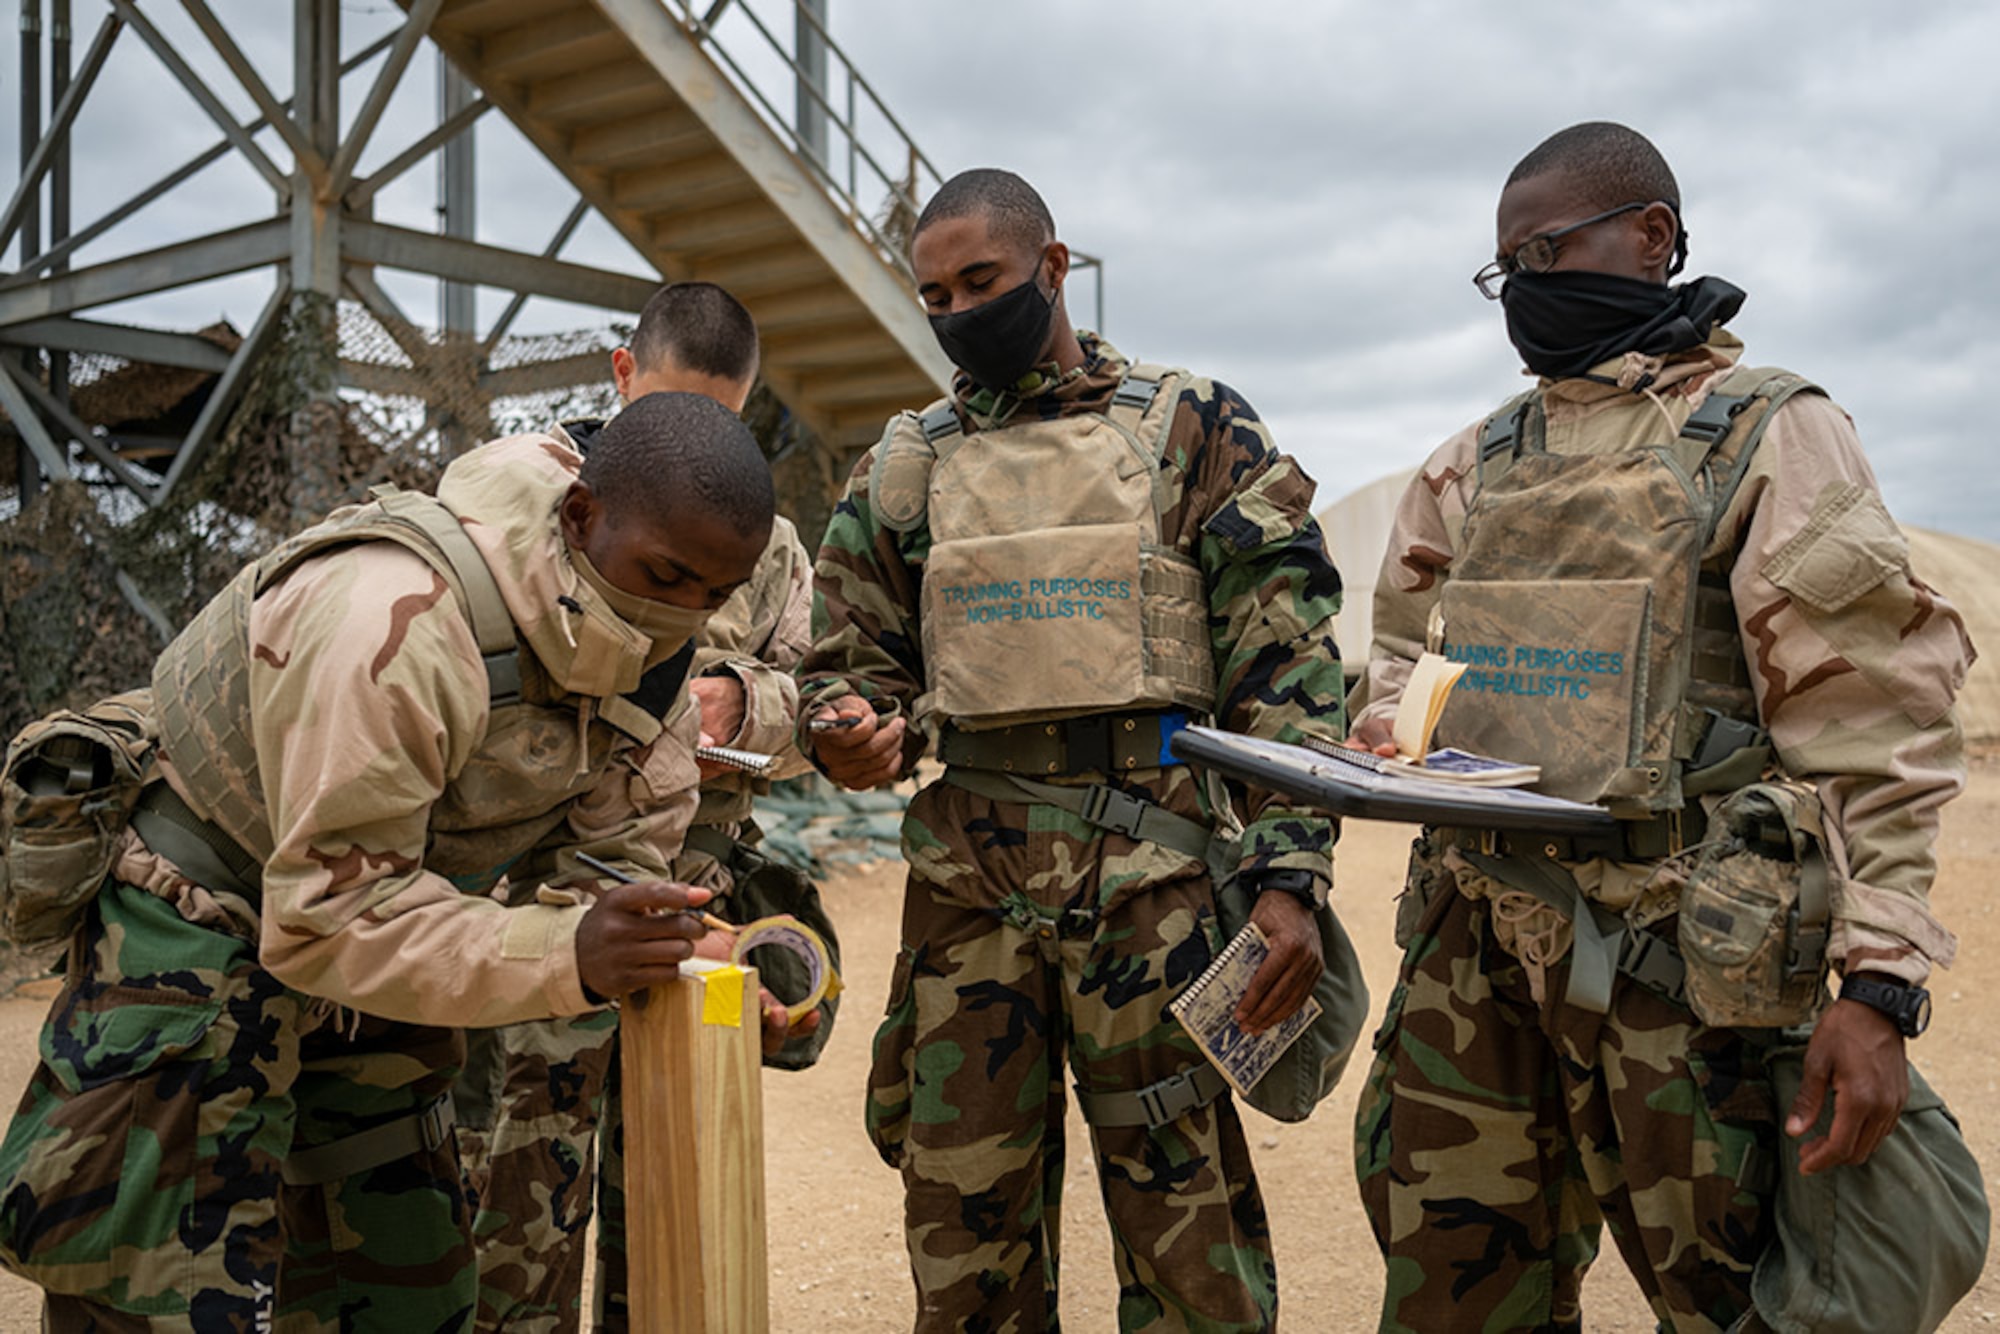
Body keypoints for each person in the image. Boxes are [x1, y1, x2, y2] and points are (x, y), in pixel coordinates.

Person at [1350, 121, 1975, 1333]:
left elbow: (1871, 729)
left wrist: (1881, 983)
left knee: (1727, 1298)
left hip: (1684, 969)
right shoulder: (1472, 458)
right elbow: (1399, 662)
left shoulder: (1765, 433)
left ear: (1651, 239)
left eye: (1544, 250)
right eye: (1504, 270)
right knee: (1451, 1294)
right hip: (1475, 949)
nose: (1523, 288)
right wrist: (1388, 728)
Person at [0, 392, 776, 1331]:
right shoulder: (396, 620)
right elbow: (324, 916)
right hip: (203, 922)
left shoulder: (653, 679)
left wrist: (682, 961)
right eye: (665, 574)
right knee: (160, 1296)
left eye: (714, 597)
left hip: (391, 931)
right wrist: (571, 952)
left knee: (405, 1293)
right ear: (580, 517)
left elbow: (606, 887)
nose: (677, 618)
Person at [797, 167, 1348, 1332]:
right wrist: (847, 730)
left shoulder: (1192, 425)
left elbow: (1284, 663)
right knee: (963, 1231)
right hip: (967, 897)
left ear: (1052, 266)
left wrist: (1291, 874)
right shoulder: (906, 465)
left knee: (1186, 1232)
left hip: (1153, 891)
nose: (956, 310)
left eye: (980, 281)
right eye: (933, 293)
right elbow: (845, 662)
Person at [459, 281, 824, 1332]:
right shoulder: (526, 502)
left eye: (720, 418)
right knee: (515, 1196)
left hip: (688, 906)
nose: (690, 436)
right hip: (536, 905)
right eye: (669, 403)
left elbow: (816, 701)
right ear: (621, 375)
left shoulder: (772, 545)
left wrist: (741, 703)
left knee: (675, 1190)